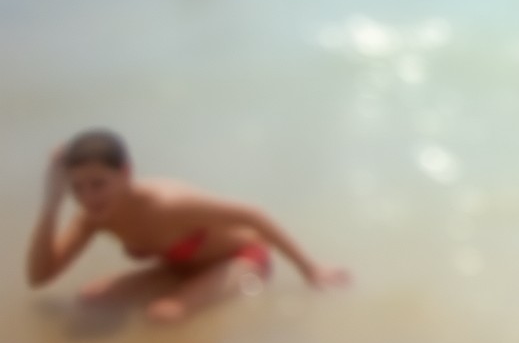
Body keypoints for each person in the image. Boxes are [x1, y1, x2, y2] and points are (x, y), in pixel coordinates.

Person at [26, 130, 348, 324]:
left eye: (98, 184)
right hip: (181, 267)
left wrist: (311, 270)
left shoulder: (169, 204)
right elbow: (40, 277)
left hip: (243, 258)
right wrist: (51, 204)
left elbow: (254, 215)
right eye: (77, 188)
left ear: (126, 173)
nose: (89, 197)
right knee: (90, 299)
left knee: (164, 316)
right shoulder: (92, 218)